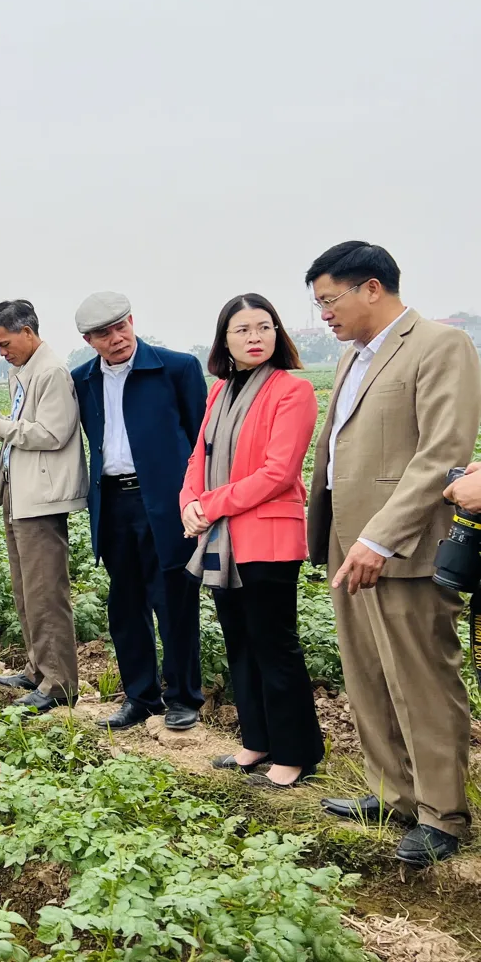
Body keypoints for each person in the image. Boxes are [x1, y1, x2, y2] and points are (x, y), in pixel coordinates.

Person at [305, 240, 481, 868]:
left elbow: (440, 452)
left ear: (371, 288)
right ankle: (393, 793)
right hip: (347, 542)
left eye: (330, 299)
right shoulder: (355, 357)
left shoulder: (439, 345)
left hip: (401, 546)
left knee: (421, 678)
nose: (324, 313)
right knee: (368, 673)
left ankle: (443, 814)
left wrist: (381, 535)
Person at [178, 294, 323, 788]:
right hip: (224, 538)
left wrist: (210, 504)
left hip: (269, 538)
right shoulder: (219, 392)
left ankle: (293, 754)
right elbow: (198, 455)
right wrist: (189, 503)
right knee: (239, 641)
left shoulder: (293, 390)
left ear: (279, 334)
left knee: (274, 644)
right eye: (243, 330)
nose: (255, 337)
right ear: (225, 340)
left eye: (265, 327)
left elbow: (280, 473)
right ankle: (256, 741)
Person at [72, 293, 207, 731]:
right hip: (112, 500)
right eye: (103, 334)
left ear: (132, 321)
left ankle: (184, 696)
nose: (116, 339)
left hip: (166, 503)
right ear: (89, 340)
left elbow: (201, 439)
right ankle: (140, 696)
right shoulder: (83, 380)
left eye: (120, 327)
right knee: (125, 602)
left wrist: (197, 501)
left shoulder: (176, 368)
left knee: (173, 599)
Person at [0, 301, 88, 712]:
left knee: (45, 593)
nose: (2, 352)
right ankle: (38, 670)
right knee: (26, 591)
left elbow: (52, 433)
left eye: (5, 343)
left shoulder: (51, 372)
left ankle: (59, 684)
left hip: (42, 496)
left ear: (28, 332)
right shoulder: (23, 372)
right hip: (21, 491)